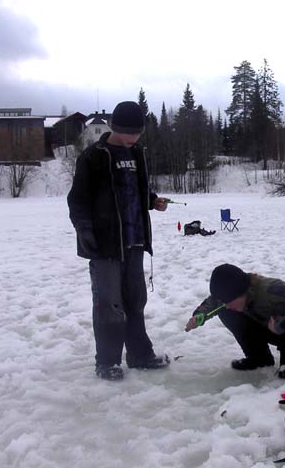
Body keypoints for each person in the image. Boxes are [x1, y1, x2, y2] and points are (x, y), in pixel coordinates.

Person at [67, 101, 170, 381]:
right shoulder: (93, 156)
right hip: (105, 246)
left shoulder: (137, 154)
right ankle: (107, 362)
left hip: (135, 241)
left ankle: (140, 355)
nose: (133, 138)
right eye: (128, 132)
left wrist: (152, 201)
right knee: (109, 305)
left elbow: (136, 190)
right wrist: (83, 228)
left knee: (135, 302)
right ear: (113, 127)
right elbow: (77, 200)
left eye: (137, 133)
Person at [185, 264, 285, 379]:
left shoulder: (270, 290)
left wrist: (282, 325)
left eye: (228, 301)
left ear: (241, 292)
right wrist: (199, 316)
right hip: (268, 326)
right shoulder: (237, 292)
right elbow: (214, 301)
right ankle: (260, 358)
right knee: (225, 311)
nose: (227, 305)